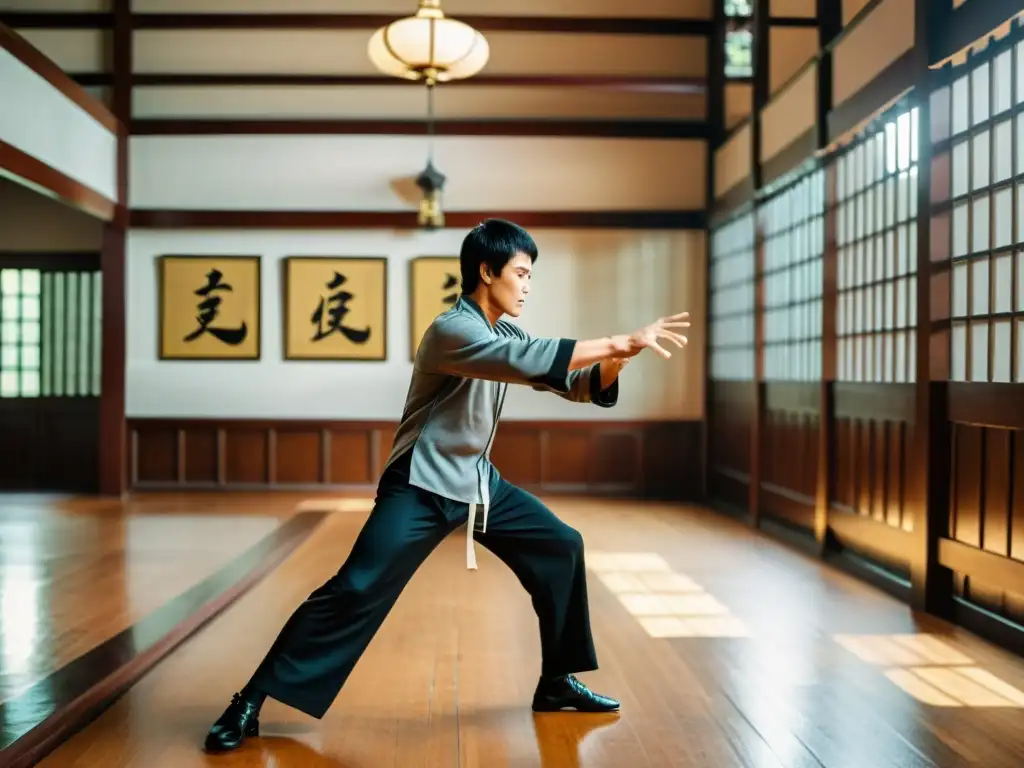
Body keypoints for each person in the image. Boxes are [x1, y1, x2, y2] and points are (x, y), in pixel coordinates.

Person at [204, 219, 690, 753]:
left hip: (479, 484)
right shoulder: (452, 330)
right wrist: (616, 338)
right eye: (521, 273)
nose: (528, 285)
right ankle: (248, 700)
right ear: (487, 272)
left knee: (562, 546)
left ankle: (556, 683)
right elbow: (524, 362)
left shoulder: (507, 332)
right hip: (420, 483)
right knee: (355, 588)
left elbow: (573, 385)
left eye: (532, 275)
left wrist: (616, 361)